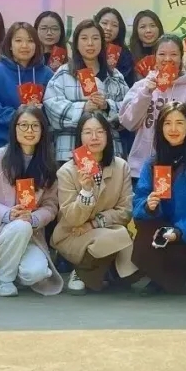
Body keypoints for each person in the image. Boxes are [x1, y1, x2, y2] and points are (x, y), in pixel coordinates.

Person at [0, 105, 62, 297]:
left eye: (35, 126)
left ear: (43, 130)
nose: (29, 131)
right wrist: (7, 214)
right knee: (20, 226)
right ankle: (2, 279)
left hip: (29, 235)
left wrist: (33, 218)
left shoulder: (47, 164)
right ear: (14, 128)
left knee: (36, 273)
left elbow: (51, 206)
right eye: (23, 125)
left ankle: (8, 270)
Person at [131, 101, 186, 295]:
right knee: (143, 244)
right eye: (168, 123)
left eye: (179, 123)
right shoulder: (152, 163)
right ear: (160, 128)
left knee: (178, 254)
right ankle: (161, 276)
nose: (173, 129)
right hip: (162, 226)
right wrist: (148, 205)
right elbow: (138, 200)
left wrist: (180, 231)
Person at [53, 111, 139, 293]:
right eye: (88, 132)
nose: (94, 137)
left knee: (132, 272)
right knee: (115, 237)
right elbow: (73, 219)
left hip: (109, 229)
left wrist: (94, 223)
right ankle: (81, 271)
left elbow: (125, 210)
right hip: (73, 234)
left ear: (108, 135)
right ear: (80, 136)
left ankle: (105, 271)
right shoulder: (66, 172)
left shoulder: (121, 166)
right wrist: (85, 191)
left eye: (100, 132)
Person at [119, 34, 186, 183]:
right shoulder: (141, 86)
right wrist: (146, 93)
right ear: (154, 57)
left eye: (174, 54)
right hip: (140, 169)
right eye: (162, 54)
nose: (168, 59)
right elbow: (128, 122)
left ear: (181, 58)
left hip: (178, 169)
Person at [44, 19, 129, 163]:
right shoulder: (63, 73)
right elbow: (51, 107)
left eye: (95, 38)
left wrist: (107, 106)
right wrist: (83, 108)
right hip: (70, 151)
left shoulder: (114, 75)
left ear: (102, 43)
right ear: (76, 43)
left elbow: (129, 110)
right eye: (84, 38)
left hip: (109, 152)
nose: (90, 43)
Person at [0, 22, 54, 156]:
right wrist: (19, 115)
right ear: (10, 45)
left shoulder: (47, 74)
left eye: (30, 41)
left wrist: (39, 111)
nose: (24, 46)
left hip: (36, 145)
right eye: (18, 40)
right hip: (0, 143)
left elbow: (53, 109)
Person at [94, 6, 134, 81]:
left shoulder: (125, 55)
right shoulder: (89, 49)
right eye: (104, 23)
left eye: (114, 25)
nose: (108, 28)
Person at [127, 9, 164, 85]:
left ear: (159, 28)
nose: (148, 30)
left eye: (152, 26)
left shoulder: (168, 54)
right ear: (136, 31)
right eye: (142, 27)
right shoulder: (128, 56)